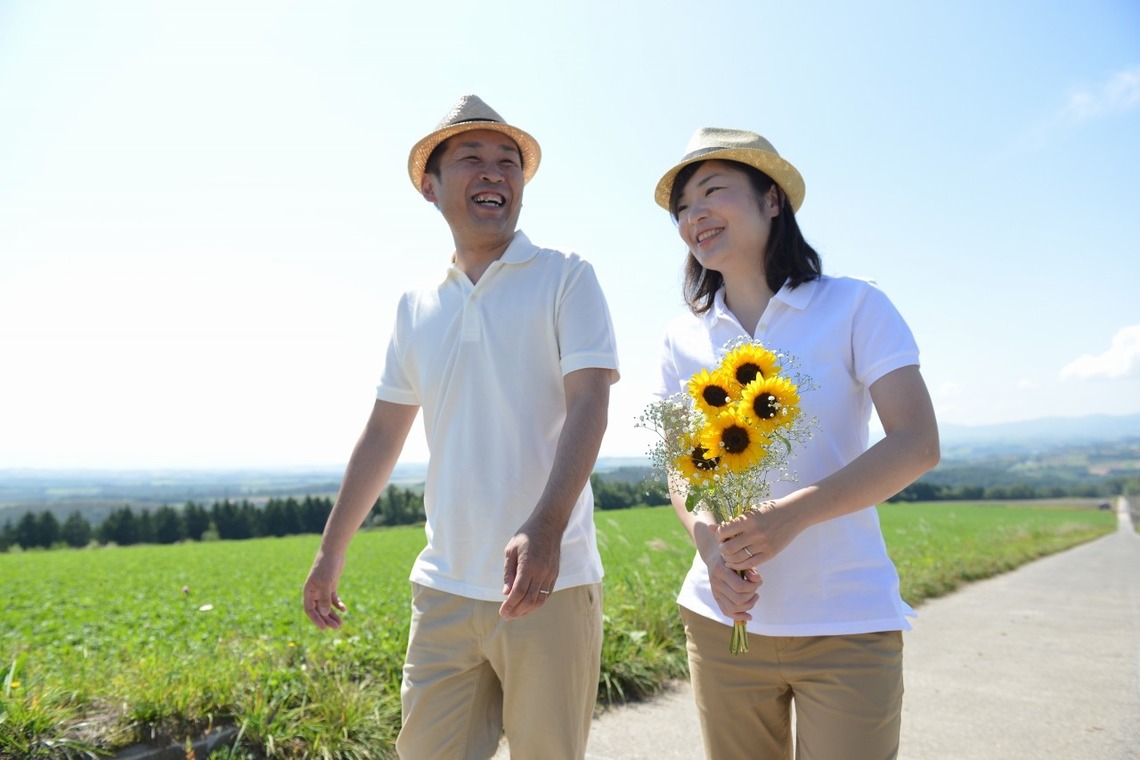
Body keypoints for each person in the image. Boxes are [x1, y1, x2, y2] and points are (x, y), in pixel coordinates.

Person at [303, 94, 620, 760]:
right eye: (472, 158)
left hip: (551, 583)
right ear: (431, 186)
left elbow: (590, 401)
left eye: (508, 162)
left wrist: (546, 527)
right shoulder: (415, 303)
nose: (494, 173)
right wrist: (331, 551)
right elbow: (383, 434)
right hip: (443, 586)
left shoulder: (566, 276)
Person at [651, 127, 940, 760]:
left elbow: (917, 442)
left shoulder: (855, 304)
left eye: (713, 191)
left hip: (846, 621)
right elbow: (683, 467)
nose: (695, 214)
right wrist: (708, 546)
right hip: (723, 621)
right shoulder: (682, 337)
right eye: (682, 208)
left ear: (772, 199)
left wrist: (793, 515)